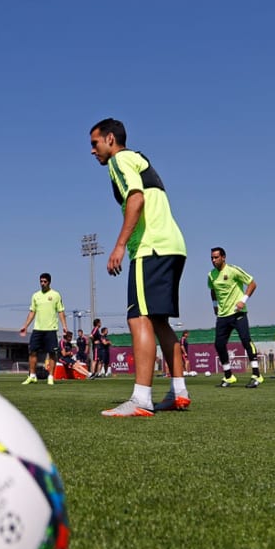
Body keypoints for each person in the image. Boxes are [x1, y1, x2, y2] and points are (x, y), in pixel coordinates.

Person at [89, 118, 189, 416]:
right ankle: (179, 392)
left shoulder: (119, 160)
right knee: (158, 322)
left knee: (138, 318)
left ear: (109, 139)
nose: (93, 151)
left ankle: (141, 399)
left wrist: (120, 244)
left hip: (151, 247)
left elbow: (136, 198)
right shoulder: (138, 158)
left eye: (95, 144)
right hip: (173, 246)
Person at [207, 246, 262, 388]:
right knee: (219, 345)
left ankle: (256, 374)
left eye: (216, 257)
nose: (213, 260)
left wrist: (242, 301)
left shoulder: (233, 270)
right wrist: (214, 306)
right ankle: (228, 376)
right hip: (222, 315)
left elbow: (252, 283)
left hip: (238, 313)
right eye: (212, 258)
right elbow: (212, 290)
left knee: (245, 340)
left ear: (223, 257)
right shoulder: (211, 275)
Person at [17, 272, 68, 385]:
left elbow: (61, 311)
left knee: (52, 353)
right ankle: (32, 376)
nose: (42, 283)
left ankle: (50, 377)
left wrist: (64, 326)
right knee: (32, 352)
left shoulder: (56, 295)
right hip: (38, 329)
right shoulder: (35, 296)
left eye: (45, 281)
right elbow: (32, 312)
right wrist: (25, 326)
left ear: (49, 282)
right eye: (41, 281)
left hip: (51, 329)